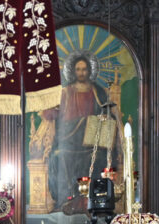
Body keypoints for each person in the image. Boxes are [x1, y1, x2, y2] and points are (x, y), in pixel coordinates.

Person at [41, 52, 117, 211]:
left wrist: (103, 118)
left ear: (90, 71)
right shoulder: (66, 92)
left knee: (99, 157)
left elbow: (108, 114)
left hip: (92, 143)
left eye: (84, 69)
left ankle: (94, 200)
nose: (81, 73)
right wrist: (81, 122)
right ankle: (67, 200)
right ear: (73, 71)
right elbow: (55, 116)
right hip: (69, 140)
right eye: (78, 69)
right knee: (59, 156)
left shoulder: (98, 92)